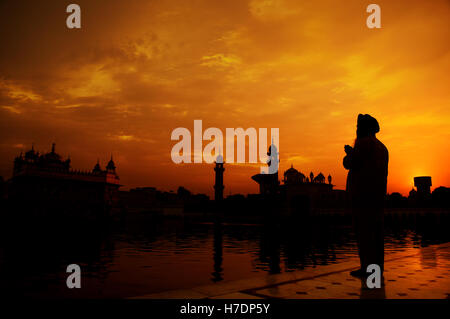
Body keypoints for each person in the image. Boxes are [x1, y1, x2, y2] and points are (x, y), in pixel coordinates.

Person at [343, 114, 389, 278]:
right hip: (377, 197)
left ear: (363, 128)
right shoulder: (382, 147)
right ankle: (376, 270)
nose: (356, 129)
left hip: (362, 197)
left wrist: (350, 153)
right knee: (376, 235)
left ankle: (366, 269)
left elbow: (349, 163)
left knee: (364, 234)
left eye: (358, 126)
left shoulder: (363, 144)